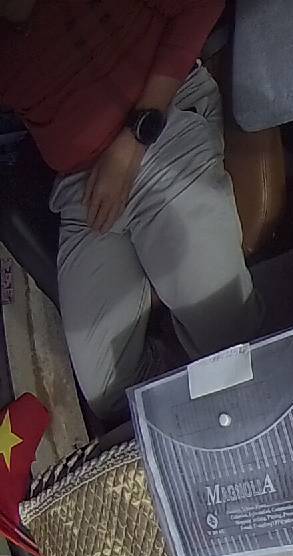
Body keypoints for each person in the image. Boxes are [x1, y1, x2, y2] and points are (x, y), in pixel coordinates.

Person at [0, 0, 262, 421]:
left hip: (157, 127)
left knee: (230, 345)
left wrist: (133, 140)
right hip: (80, 186)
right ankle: (195, 406)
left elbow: (201, 7)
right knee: (108, 392)